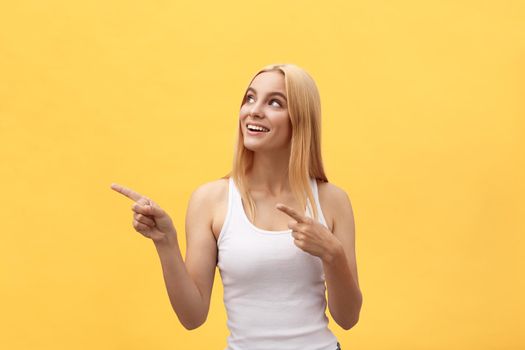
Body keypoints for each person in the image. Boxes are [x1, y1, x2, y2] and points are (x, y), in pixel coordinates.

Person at [110, 63, 362, 350]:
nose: (254, 110)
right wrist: (166, 243)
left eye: (275, 102)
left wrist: (332, 254)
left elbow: (348, 317)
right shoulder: (211, 200)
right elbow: (192, 316)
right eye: (250, 98)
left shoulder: (332, 201)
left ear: (300, 120)